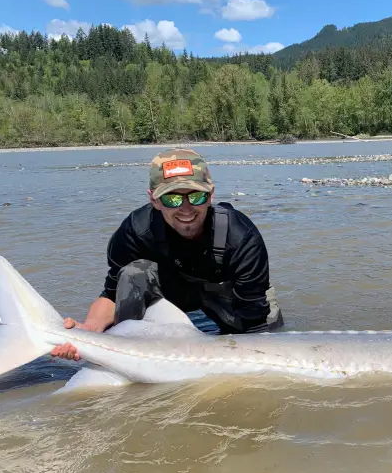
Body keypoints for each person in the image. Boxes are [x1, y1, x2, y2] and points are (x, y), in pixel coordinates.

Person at [52, 148, 283, 361]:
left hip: (229, 296)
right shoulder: (135, 231)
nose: (185, 208)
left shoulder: (241, 236)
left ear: (210, 195)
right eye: (172, 198)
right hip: (172, 291)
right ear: (154, 199)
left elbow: (255, 321)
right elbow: (112, 294)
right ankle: (131, 349)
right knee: (134, 273)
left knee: (274, 343)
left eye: (196, 196)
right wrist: (90, 331)